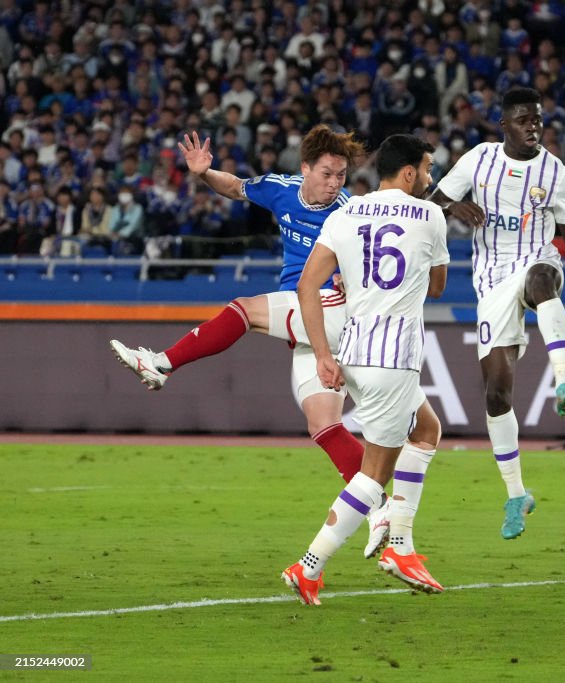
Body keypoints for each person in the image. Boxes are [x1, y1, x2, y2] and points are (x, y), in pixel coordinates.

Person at [108, 126, 388, 551]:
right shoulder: (280, 189)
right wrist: (204, 174)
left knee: (244, 309)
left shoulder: (348, 212)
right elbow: (237, 188)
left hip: (331, 308)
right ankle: (380, 507)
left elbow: (376, 259)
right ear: (306, 168)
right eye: (328, 174)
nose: (335, 184)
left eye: (342, 176)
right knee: (324, 425)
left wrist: (356, 280)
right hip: (306, 318)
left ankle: (161, 363)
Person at [427, 86, 565, 539]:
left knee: (541, 282)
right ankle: (515, 494)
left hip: (537, 258)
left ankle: (564, 380)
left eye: (538, 120)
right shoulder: (478, 160)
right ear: (504, 125)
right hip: (490, 280)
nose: (534, 126)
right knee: (496, 395)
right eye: (524, 120)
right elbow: (431, 201)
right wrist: (453, 204)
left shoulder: (556, 173)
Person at [282, 134, 449, 604]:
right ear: (411, 172)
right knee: (373, 476)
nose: (431, 177)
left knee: (428, 430)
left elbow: (306, 286)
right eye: (428, 168)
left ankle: (402, 544)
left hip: (352, 350)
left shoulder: (345, 212)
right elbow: (437, 287)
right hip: (392, 357)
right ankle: (311, 565)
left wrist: (321, 354)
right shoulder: (431, 214)